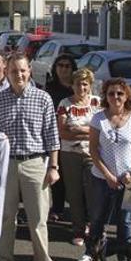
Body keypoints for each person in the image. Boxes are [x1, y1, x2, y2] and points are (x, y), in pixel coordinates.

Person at [0, 52, 61, 261]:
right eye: (14, 71)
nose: (19, 75)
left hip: (35, 164)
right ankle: (5, 260)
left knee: (38, 218)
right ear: (7, 73)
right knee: (7, 216)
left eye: (23, 70)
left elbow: (52, 136)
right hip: (7, 164)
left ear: (29, 71)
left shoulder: (43, 99)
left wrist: (54, 166)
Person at [72, 78, 131, 261]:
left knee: (125, 220)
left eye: (120, 93)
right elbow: (94, 150)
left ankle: (124, 257)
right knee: (97, 218)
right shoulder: (98, 119)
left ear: (127, 96)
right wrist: (107, 175)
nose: (116, 97)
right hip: (101, 178)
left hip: (128, 179)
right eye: (111, 93)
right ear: (106, 96)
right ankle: (90, 253)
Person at [56, 68, 101, 246]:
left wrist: (79, 130)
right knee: (74, 193)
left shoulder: (98, 103)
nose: (81, 87)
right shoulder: (65, 104)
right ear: (72, 85)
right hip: (70, 154)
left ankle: (93, 225)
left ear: (90, 86)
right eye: (78, 84)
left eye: (85, 84)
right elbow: (63, 134)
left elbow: (102, 131)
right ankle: (78, 229)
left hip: (93, 154)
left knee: (93, 192)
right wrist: (90, 132)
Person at [45, 54, 77, 222]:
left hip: (75, 139)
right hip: (55, 137)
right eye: (60, 65)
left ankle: (76, 211)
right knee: (57, 174)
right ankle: (57, 208)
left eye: (67, 66)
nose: (64, 69)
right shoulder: (49, 88)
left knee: (75, 179)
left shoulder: (77, 88)